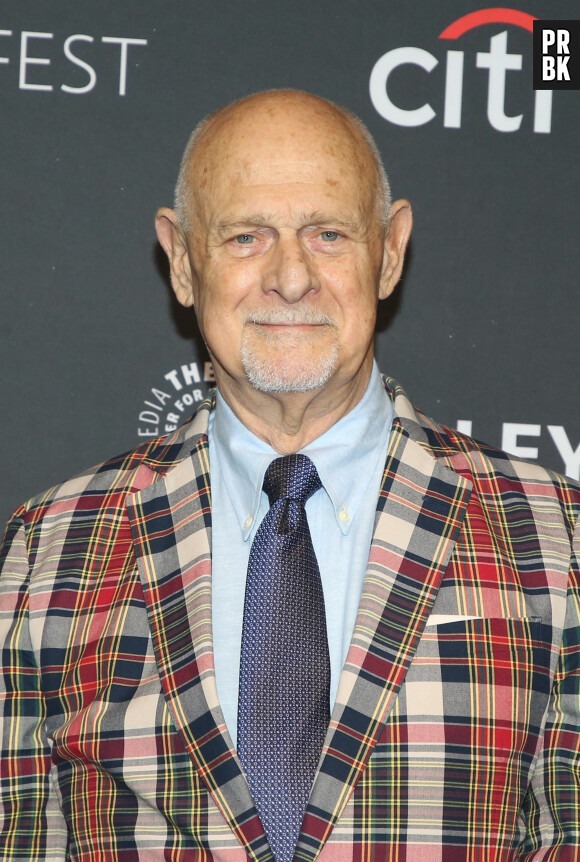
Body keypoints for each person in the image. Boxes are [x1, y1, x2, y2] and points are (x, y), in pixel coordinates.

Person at [0, 89, 578, 862]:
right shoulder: (48, 552)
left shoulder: (556, 536)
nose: (292, 278)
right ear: (181, 260)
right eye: (246, 237)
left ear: (391, 252)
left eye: (329, 234)